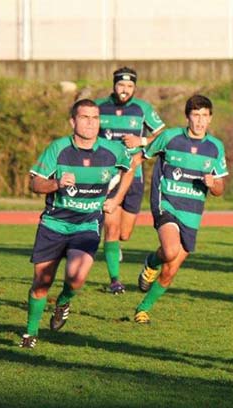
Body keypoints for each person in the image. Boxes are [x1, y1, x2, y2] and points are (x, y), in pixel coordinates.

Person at [20, 99, 130, 348]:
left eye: (95, 118)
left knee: (76, 277)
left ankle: (63, 302)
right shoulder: (58, 149)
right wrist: (56, 183)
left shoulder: (112, 150)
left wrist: (116, 199)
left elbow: (130, 167)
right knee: (41, 283)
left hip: (87, 225)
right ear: (73, 121)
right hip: (54, 224)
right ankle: (30, 333)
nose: (91, 123)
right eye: (85, 117)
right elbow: (35, 183)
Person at [132, 95, 228, 324]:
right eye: (196, 115)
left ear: (210, 118)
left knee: (171, 271)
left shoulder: (216, 147)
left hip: (192, 213)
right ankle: (152, 262)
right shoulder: (169, 137)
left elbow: (220, 188)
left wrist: (212, 183)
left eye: (204, 116)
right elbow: (141, 157)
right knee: (171, 249)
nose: (200, 121)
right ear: (187, 117)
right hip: (166, 203)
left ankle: (143, 309)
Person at [95, 66, 166, 295]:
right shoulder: (99, 108)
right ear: (113, 85)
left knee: (125, 234)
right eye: (121, 85)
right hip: (109, 177)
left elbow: (161, 134)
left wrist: (141, 140)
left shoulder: (142, 109)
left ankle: (115, 249)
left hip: (134, 177)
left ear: (134, 87)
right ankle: (115, 280)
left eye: (129, 86)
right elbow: (84, 130)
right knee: (111, 229)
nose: (124, 90)